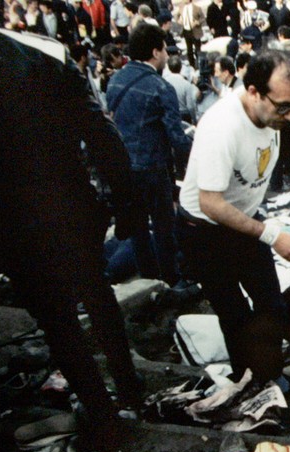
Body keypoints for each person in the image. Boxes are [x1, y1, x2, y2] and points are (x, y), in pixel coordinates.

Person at [0, 2, 146, 452]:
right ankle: (129, 387)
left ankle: (100, 413)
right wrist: (126, 204)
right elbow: (99, 134)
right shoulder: (38, 52)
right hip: (69, 205)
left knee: (57, 322)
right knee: (96, 296)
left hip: (6, 222)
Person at [176, 50, 290, 384]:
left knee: (271, 304)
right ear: (253, 92)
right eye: (284, 108)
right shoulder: (222, 125)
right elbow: (210, 203)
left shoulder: (271, 112)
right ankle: (246, 383)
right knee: (234, 312)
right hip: (204, 229)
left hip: (243, 220)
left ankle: (268, 373)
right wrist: (270, 234)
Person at [107, 23, 192, 288]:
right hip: (153, 169)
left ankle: (148, 279)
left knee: (139, 229)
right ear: (156, 52)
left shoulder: (115, 80)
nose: (167, 55)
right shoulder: (160, 87)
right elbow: (177, 138)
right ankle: (170, 279)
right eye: (165, 49)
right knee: (164, 227)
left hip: (123, 168)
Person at [178, 0, 204, 65]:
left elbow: (202, 18)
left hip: (195, 31)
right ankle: (191, 64)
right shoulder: (181, 7)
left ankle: (199, 64)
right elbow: (177, 16)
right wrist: (179, 20)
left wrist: (197, 22)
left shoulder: (197, 8)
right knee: (189, 50)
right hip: (186, 31)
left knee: (198, 49)